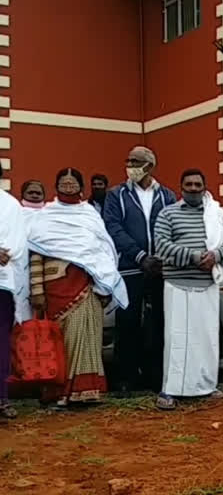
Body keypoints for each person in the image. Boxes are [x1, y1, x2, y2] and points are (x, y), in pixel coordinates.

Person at [27, 168, 128, 408]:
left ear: (81, 187)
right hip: (54, 287)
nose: (68, 186)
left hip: (87, 285)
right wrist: (37, 291)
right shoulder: (45, 216)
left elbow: (103, 250)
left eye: (73, 183)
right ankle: (58, 393)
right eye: (64, 182)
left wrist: (105, 284)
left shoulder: (90, 215)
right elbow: (35, 252)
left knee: (88, 338)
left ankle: (86, 391)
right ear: (56, 186)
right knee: (60, 343)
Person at [153, 169, 223, 410]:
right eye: (188, 184)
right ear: (181, 187)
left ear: (204, 186)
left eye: (198, 184)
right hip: (178, 284)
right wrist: (195, 256)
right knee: (177, 339)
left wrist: (216, 255)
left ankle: (205, 386)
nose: (193, 188)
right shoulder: (168, 214)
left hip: (207, 284)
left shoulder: (215, 215)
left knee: (206, 339)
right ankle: (170, 390)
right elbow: (162, 246)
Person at [103, 146, 176, 394]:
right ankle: (126, 377)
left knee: (159, 322)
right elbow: (113, 228)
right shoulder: (117, 195)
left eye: (136, 161)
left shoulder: (166, 195)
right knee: (128, 322)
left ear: (150, 166)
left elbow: (172, 227)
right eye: (129, 160)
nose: (130, 164)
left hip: (160, 269)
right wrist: (140, 256)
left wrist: (161, 258)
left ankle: (156, 376)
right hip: (130, 269)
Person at [0, 165, 29, 419]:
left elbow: (16, 245)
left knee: (0, 343)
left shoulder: (11, 206)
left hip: (1, 284)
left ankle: (1, 399)